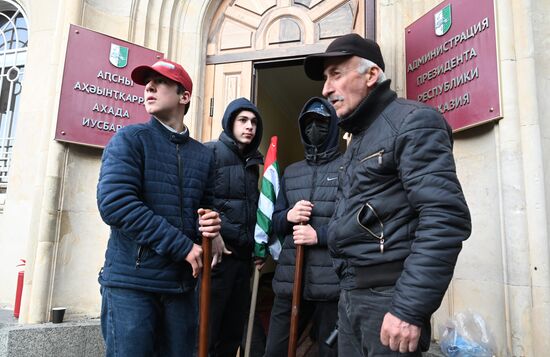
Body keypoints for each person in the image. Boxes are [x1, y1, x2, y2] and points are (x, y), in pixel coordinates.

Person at [303, 33, 472, 356]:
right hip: (352, 298)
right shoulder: (357, 140)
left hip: (390, 302)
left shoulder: (413, 122)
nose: (326, 89)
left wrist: (409, 308)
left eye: (336, 74)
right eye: (325, 78)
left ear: (371, 75)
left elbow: (444, 219)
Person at [96, 59, 221, 356]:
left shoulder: (204, 156)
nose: (149, 87)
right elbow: (115, 204)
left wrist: (215, 229)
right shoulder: (129, 140)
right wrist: (183, 247)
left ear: (184, 96)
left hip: (181, 288)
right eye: (147, 81)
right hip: (132, 286)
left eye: (160, 81)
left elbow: (208, 206)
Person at [264, 97, 341, 357]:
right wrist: (289, 216)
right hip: (290, 282)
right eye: (308, 123)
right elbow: (273, 223)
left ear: (332, 127)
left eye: (321, 122)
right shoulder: (292, 172)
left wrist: (318, 235)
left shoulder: (347, 169)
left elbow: (356, 227)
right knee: (275, 350)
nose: (314, 128)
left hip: (331, 285)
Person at [204, 97, 264, 357]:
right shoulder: (209, 152)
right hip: (217, 260)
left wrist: (257, 248)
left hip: (243, 262)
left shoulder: (253, 165)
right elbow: (197, 201)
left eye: (253, 122)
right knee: (206, 333)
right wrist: (213, 232)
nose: (249, 126)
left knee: (231, 335)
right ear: (230, 122)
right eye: (242, 120)